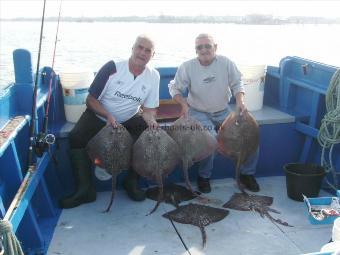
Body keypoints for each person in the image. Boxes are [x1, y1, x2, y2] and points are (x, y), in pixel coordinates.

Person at [60, 35, 160, 209]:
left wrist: (151, 120)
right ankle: (85, 190)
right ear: (132, 48)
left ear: (153, 55)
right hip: (100, 114)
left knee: (147, 136)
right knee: (76, 137)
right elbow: (91, 99)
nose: (142, 52)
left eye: (147, 50)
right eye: (139, 47)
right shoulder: (113, 67)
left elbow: (149, 110)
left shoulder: (153, 76)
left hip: (129, 117)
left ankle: (131, 182)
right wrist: (107, 115)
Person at [168, 33, 260, 194]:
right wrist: (183, 104)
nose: (203, 50)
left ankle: (247, 174)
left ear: (215, 47)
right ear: (196, 50)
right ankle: (204, 177)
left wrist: (240, 102)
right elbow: (174, 87)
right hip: (198, 111)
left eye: (207, 46)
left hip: (224, 111)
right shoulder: (188, 67)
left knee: (251, 137)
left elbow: (237, 82)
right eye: (199, 47)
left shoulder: (226, 63)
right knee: (209, 140)